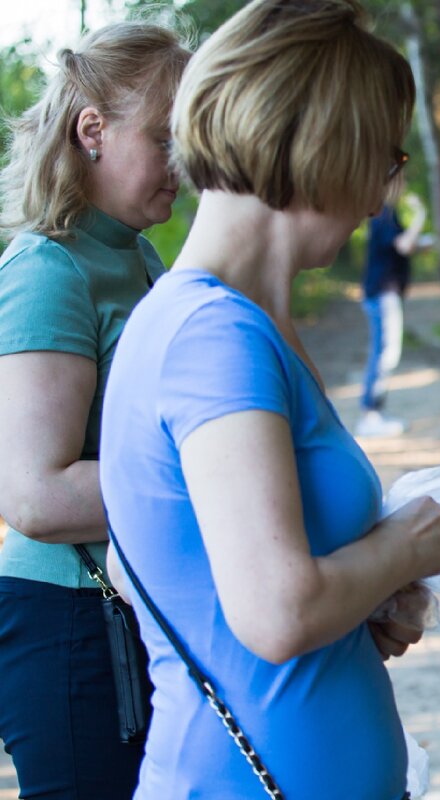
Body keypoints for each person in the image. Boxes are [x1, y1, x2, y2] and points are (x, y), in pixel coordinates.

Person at [98, 1, 440, 797]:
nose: (376, 198)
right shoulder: (214, 337)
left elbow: (170, 575)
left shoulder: (218, 322)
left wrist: (361, 604)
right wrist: (410, 545)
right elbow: (278, 612)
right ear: (322, 143)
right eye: (383, 158)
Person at [0, 22, 190, 799]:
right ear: (93, 132)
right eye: (167, 140)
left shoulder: (135, 252)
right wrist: (217, 485)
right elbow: (33, 495)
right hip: (71, 627)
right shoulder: (48, 268)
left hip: (132, 607)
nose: (187, 165)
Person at [357, 190, 428, 437]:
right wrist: (421, 214)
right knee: (385, 353)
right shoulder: (383, 213)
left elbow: (399, 246)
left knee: (384, 352)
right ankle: (371, 415)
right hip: (382, 294)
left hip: (382, 293)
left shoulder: (386, 213)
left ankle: (373, 413)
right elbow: (404, 245)